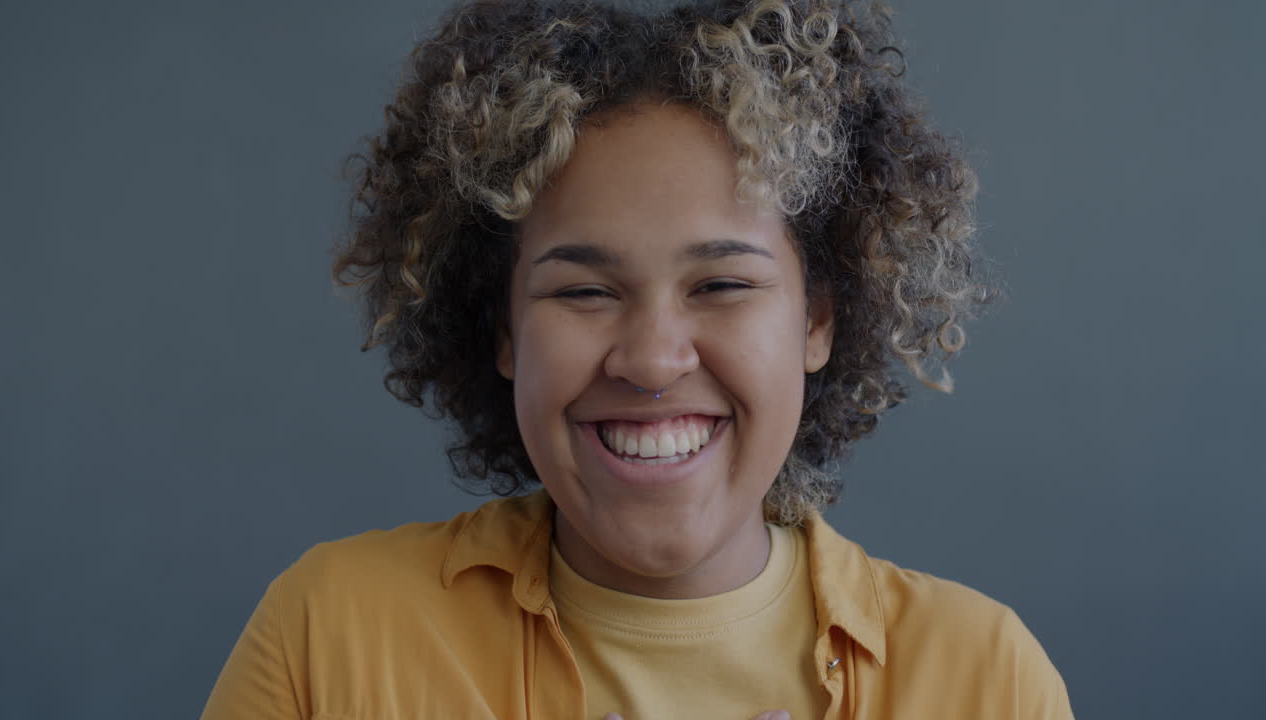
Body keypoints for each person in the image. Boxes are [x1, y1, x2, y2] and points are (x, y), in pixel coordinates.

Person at [201, 1, 1074, 718]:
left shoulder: (986, 682)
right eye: (584, 292)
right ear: (502, 330)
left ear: (818, 321)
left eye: (723, 284)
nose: (654, 359)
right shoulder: (327, 639)